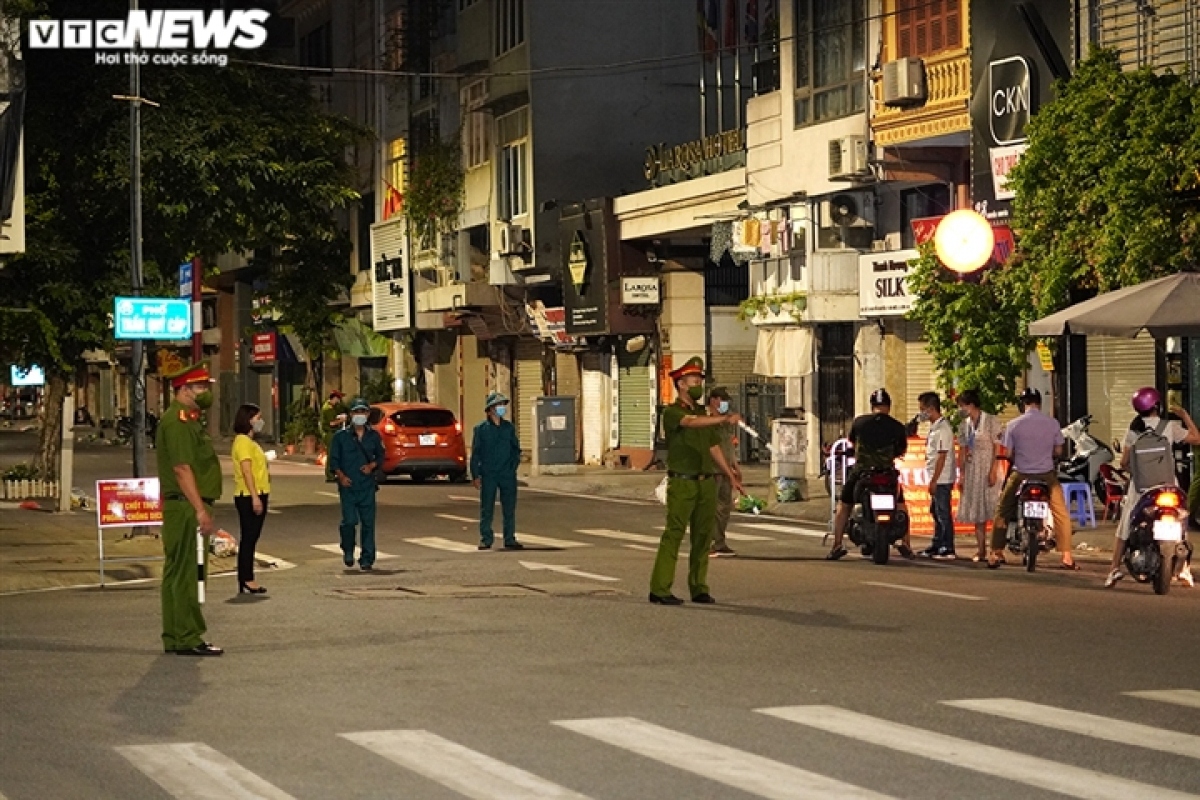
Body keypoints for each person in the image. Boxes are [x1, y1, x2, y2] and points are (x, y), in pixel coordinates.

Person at [649, 357, 744, 605]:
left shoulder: (702, 412)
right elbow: (691, 424)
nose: (698, 384)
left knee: (703, 536)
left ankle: (699, 586)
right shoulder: (672, 412)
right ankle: (659, 589)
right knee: (674, 534)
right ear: (681, 383)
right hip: (683, 482)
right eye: (694, 380)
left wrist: (729, 474)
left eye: (700, 380)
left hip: (706, 482)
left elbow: (713, 445)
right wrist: (723, 419)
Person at [155, 361, 223, 656]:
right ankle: (188, 636)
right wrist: (200, 510)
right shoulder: (179, 421)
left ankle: (175, 635)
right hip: (185, 507)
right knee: (187, 574)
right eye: (200, 387)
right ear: (184, 390)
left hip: (180, 507)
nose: (206, 392)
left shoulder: (187, 419)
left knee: (175, 573)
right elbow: (182, 469)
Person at [1104, 388, 1200, 588]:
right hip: (1167, 486)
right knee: (1180, 522)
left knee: (1125, 527)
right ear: (1157, 405)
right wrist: (1184, 415)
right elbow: (1197, 438)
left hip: (1140, 488)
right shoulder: (1170, 427)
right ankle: (1184, 569)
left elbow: (1123, 463)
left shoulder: (1134, 430)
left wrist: (1134, 470)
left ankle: (1114, 569)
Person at [987, 387, 1078, 570]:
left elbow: (1010, 453)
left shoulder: (1013, 425)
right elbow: (1059, 450)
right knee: (1061, 512)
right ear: (1039, 403)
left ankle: (996, 552)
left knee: (1003, 509)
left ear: (1023, 404)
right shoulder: (1052, 423)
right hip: (1046, 475)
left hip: (1021, 474)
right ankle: (1067, 555)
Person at [827, 389, 912, 561]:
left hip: (863, 473)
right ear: (888, 406)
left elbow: (851, 442)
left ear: (872, 405)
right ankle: (906, 543)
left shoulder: (860, 422)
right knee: (901, 505)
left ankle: (836, 544)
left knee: (844, 505)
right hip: (888, 474)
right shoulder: (897, 426)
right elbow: (902, 449)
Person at [328, 397, 385, 571]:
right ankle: (347, 549)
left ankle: (367, 558)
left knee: (368, 523)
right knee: (349, 521)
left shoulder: (374, 436)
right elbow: (334, 461)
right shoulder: (341, 437)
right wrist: (341, 476)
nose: (360, 415)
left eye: (363, 412)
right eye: (356, 412)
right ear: (351, 414)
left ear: (368, 414)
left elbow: (381, 457)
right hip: (348, 486)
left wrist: (371, 466)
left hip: (366, 485)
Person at [955, 389, 1004, 562]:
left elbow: (997, 447)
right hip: (972, 469)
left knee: (995, 509)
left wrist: (993, 470)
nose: (960, 410)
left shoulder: (990, 420)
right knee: (978, 512)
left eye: (962, 406)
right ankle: (981, 549)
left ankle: (997, 549)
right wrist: (961, 474)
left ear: (971, 405)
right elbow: (962, 450)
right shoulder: (964, 425)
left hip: (988, 466)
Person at [471, 391, 523, 551]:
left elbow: (516, 449)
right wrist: (475, 475)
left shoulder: (508, 428)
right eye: (498, 405)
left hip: (506, 474)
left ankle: (510, 538)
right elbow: (476, 453)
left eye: (503, 405)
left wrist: (512, 466)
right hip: (489, 474)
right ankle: (486, 538)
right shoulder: (481, 429)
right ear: (490, 409)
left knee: (509, 508)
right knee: (487, 507)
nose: (501, 408)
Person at [231, 403, 271, 595]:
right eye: (257, 418)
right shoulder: (243, 442)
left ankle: (246, 578)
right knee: (248, 538)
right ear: (248, 419)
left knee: (251, 538)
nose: (260, 422)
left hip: (257, 492)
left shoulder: (249, 442)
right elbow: (246, 470)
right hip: (248, 495)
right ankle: (247, 578)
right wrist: (255, 497)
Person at [918, 392, 957, 560]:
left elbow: (942, 456)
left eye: (922, 409)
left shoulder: (944, 428)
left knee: (943, 512)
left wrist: (934, 480)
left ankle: (947, 546)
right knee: (935, 510)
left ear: (931, 409)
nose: (921, 413)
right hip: (935, 476)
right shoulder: (935, 427)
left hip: (942, 477)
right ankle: (937, 543)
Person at [707, 387, 742, 558]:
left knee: (724, 508)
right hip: (712, 470)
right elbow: (713, 448)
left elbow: (729, 446)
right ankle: (709, 544)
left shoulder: (726, 425)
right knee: (711, 509)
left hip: (726, 469)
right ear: (713, 400)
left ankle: (719, 542)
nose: (725, 404)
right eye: (722, 400)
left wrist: (735, 467)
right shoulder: (707, 421)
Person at [321, 390, 347, 481]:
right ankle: (330, 475)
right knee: (331, 454)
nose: (339, 401)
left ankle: (332, 474)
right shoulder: (328, 409)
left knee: (334, 454)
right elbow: (332, 423)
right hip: (330, 433)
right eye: (338, 399)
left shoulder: (330, 407)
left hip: (331, 433)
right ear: (335, 398)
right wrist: (342, 420)